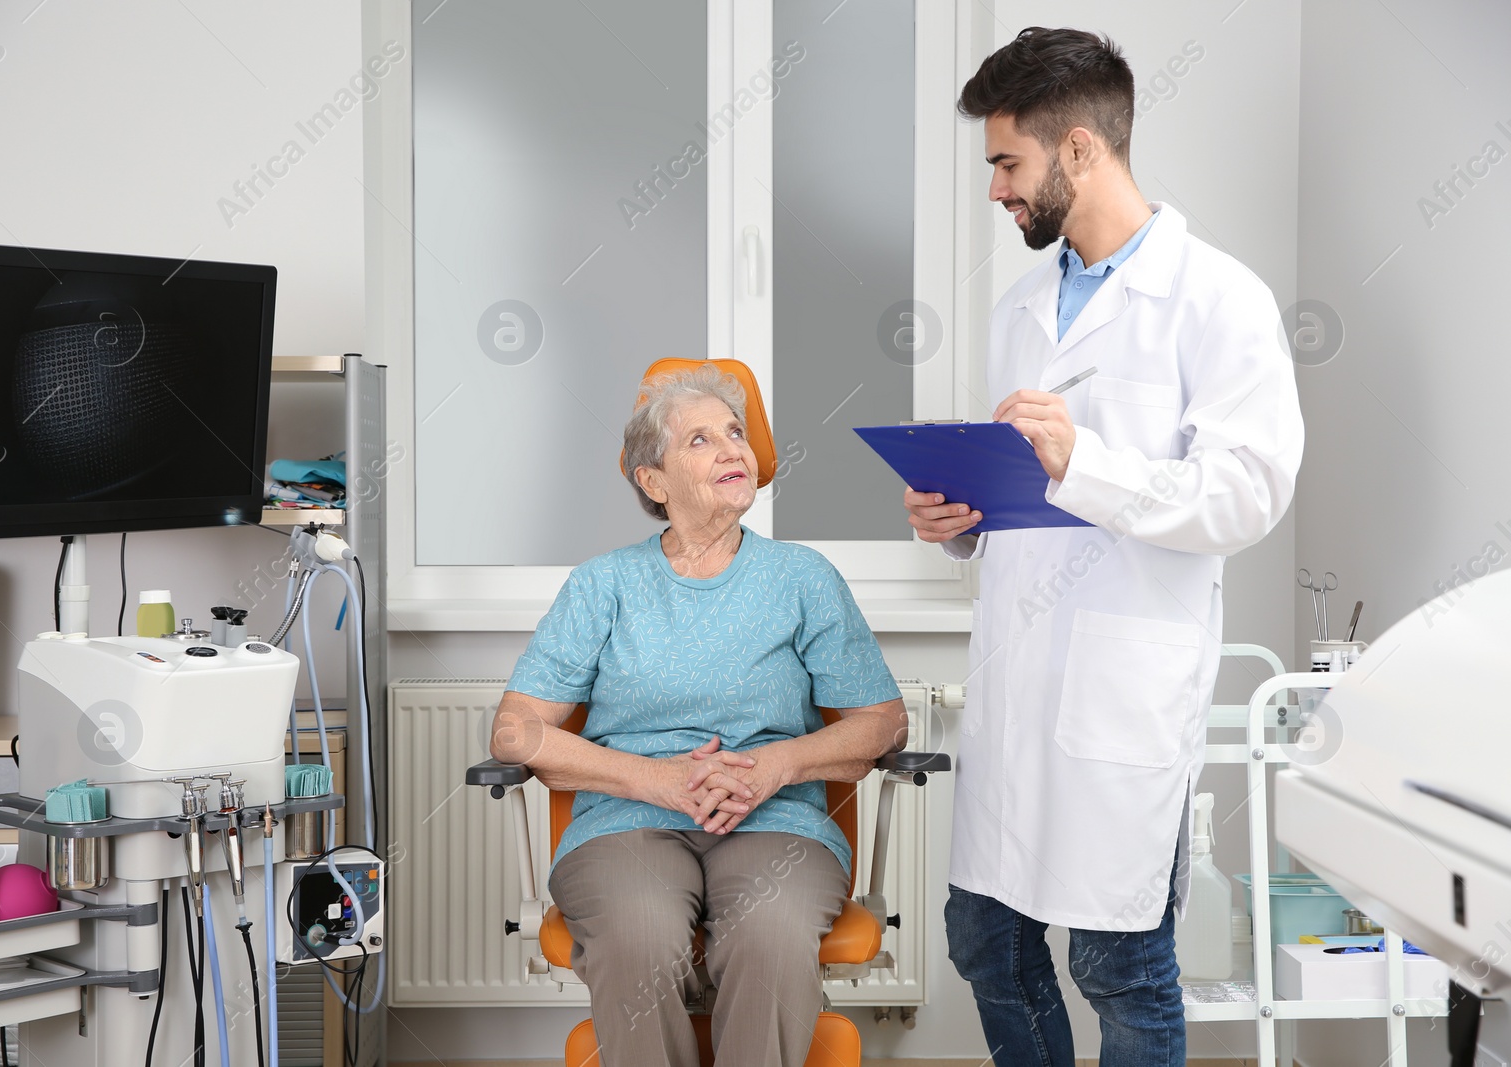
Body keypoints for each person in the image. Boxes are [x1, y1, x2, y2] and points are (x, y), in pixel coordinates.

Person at [904, 27, 1304, 1067]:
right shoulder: (1019, 309)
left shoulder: (1218, 300)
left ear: (1077, 149)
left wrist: (1086, 460)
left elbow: (1245, 493)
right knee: (984, 938)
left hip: (1120, 686)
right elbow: (1027, 493)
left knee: (1117, 965)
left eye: (1006, 162)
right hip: (1017, 679)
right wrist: (964, 519)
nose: (995, 189)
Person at [492, 364, 907, 1066]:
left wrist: (773, 767)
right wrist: (659, 780)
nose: (732, 449)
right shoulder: (603, 585)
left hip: (778, 817)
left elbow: (884, 724)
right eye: (701, 439)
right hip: (628, 821)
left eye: (737, 434)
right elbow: (514, 730)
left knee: (771, 932)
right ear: (652, 480)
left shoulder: (803, 578)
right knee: (638, 934)